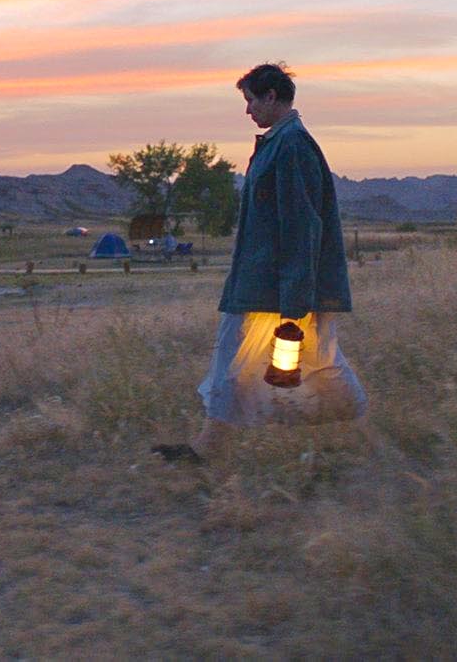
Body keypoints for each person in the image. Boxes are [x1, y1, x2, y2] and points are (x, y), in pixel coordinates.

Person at [156, 63, 365, 462]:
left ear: (271, 96)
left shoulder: (293, 147)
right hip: (261, 281)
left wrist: (295, 302)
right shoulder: (279, 144)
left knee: (311, 362)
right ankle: (208, 447)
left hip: (275, 286)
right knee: (236, 360)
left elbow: (302, 226)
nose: (248, 110)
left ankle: (356, 427)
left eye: (251, 100)